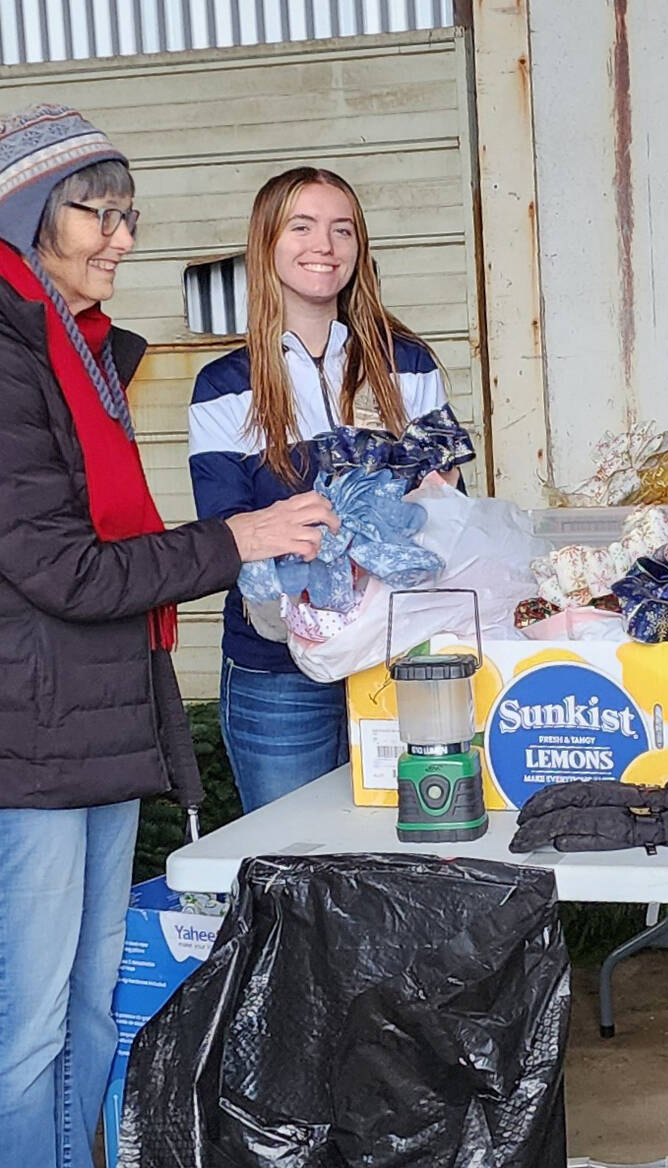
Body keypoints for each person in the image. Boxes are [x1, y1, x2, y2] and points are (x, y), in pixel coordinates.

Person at [0, 104, 335, 1168]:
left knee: (83, 1019)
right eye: (101, 213)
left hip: (85, 718)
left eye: (131, 214)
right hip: (6, 738)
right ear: (32, 213)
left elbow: (98, 555)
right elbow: (61, 567)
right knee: (23, 1028)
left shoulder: (72, 354)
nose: (123, 237)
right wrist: (237, 535)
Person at [189, 166, 462, 812]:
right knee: (295, 865)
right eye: (303, 227)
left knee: (411, 852)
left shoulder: (407, 365)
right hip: (277, 672)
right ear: (266, 245)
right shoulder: (222, 388)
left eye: (343, 230)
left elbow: (447, 502)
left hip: (400, 658)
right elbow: (230, 531)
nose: (326, 245)